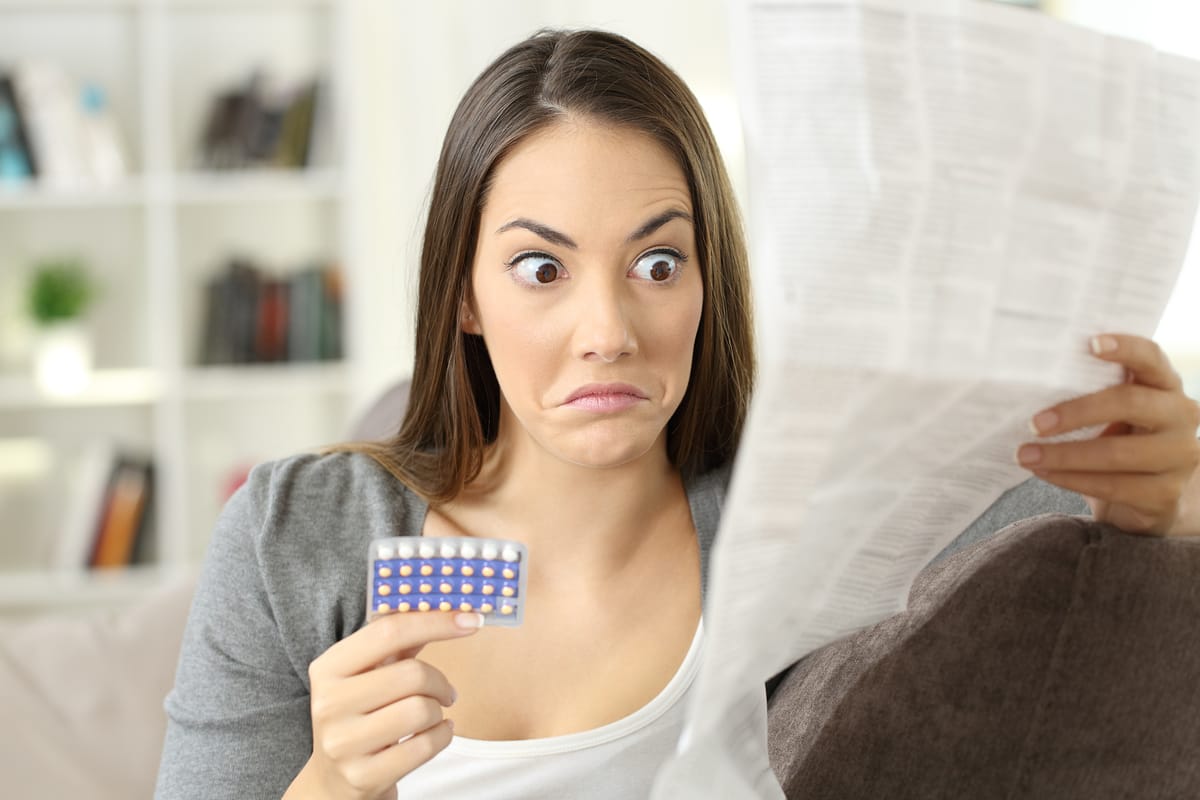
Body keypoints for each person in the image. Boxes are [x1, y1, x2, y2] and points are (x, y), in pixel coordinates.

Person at [155, 28, 1200, 800]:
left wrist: (1172, 495)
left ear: (709, 281)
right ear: (463, 296)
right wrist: (330, 785)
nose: (608, 331)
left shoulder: (812, 508)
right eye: (541, 268)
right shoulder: (291, 538)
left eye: (658, 262)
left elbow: (1086, 529)